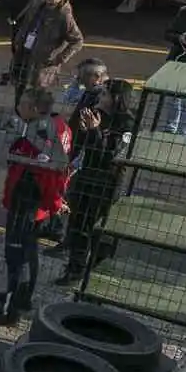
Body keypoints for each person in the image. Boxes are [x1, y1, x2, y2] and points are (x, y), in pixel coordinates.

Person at [0, 88, 72, 327]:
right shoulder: (59, 125)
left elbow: (49, 174)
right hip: (35, 201)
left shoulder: (41, 133)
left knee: (16, 255)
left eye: (21, 103)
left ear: (33, 108)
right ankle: (22, 297)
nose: (17, 106)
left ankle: (10, 310)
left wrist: (54, 203)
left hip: (28, 200)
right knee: (29, 251)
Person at [59, 78, 133, 285]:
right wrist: (84, 131)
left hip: (105, 183)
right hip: (85, 177)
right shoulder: (95, 115)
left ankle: (95, 265)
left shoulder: (126, 124)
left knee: (93, 227)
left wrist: (94, 131)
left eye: (105, 95)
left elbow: (110, 156)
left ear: (116, 99)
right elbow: (82, 147)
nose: (100, 98)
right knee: (76, 223)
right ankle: (74, 267)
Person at [11, 0, 84, 101]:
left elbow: (77, 41)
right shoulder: (38, 6)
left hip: (42, 65)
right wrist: (18, 41)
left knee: (34, 97)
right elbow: (25, 25)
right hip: (25, 56)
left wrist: (59, 58)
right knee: (19, 91)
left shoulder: (63, 15)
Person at [163, 3, 186, 133]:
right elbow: (168, 34)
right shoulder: (184, 12)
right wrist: (179, 38)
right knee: (175, 97)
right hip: (178, 61)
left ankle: (183, 133)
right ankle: (170, 130)